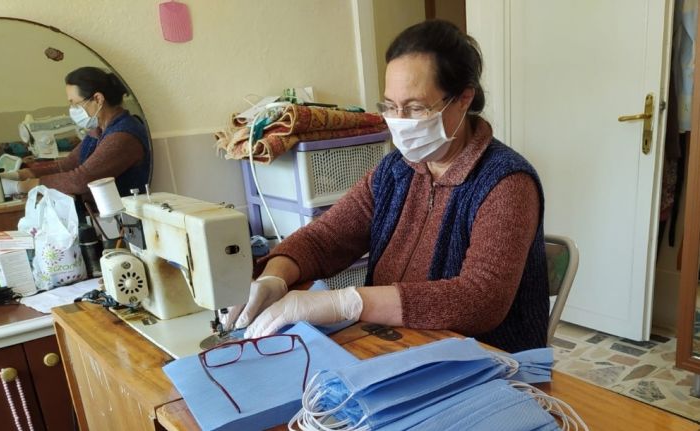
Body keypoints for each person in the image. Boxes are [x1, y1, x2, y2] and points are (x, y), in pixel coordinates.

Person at [227, 19, 548, 353]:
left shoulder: (506, 183)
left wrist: (348, 303)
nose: (400, 120)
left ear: (463, 99)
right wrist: (274, 277)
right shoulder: (395, 172)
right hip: (399, 347)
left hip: (487, 361)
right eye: (391, 106)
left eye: (415, 107)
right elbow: (325, 239)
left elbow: (480, 299)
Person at [1, 67, 151, 205]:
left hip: (125, 215)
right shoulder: (99, 130)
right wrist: (20, 175)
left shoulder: (123, 136)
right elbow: (66, 166)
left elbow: (81, 179)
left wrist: (22, 186)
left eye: (75, 104)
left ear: (98, 99)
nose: (72, 109)